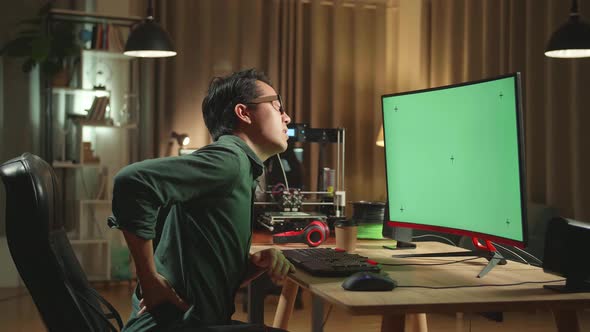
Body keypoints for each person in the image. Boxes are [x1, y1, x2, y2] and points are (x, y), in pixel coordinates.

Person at [109, 69, 295, 331]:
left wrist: (251, 267)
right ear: (243, 113)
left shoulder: (240, 168)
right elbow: (131, 182)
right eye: (277, 107)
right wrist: (149, 281)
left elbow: (199, 275)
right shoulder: (230, 160)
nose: (287, 117)